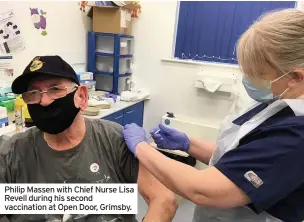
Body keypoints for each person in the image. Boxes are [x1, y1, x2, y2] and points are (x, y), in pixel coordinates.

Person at [122, 9, 304, 222]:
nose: (249, 80)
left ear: (295, 76)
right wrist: (188, 144)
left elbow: (203, 190)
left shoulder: (296, 134)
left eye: (258, 74)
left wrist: (141, 148)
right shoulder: (278, 103)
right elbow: (237, 158)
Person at [0, 55, 177, 222]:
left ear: (82, 96)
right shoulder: (13, 152)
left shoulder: (113, 139)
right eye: (33, 93)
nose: (44, 101)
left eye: (55, 89)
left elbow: (164, 200)